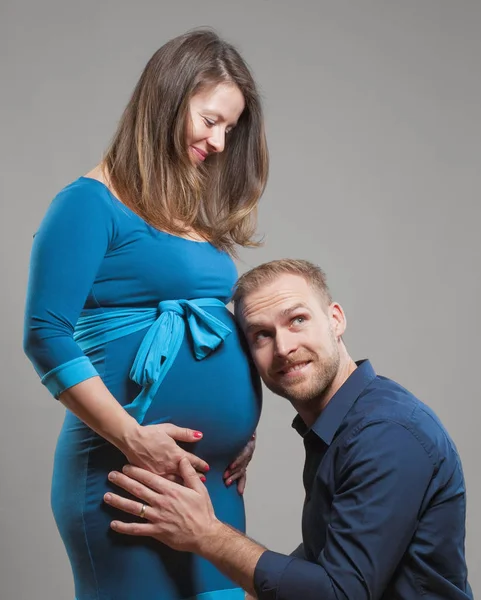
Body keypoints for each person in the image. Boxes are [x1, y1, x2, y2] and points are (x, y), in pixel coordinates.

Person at [23, 29, 268, 600]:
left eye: (230, 129)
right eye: (211, 120)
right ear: (168, 97)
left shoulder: (194, 220)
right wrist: (134, 438)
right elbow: (45, 334)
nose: (221, 141)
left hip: (210, 483)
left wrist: (240, 431)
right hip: (124, 474)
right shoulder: (87, 203)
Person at [103, 259, 473, 600]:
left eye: (297, 320)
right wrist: (236, 430)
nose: (284, 347)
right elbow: (334, 559)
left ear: (336, 319)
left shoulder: (386, 433)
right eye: (261, 335)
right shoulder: (342, 425)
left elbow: (341, 593)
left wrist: (207, 534)